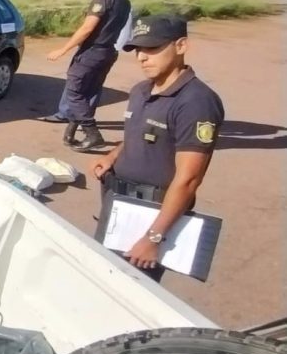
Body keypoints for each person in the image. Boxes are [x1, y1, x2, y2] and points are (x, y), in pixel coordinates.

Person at [90, 15, 224, 282]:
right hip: (119, 204)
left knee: (131, 290)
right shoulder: (141, 90)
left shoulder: (196, 103)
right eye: (138, 49)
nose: (142, 57)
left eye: (152, 49)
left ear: (181, 46)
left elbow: (188, 180)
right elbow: (136, 135)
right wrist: (112, 155)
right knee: (101, 279)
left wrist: (154, 237)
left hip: (151, 215)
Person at [43, 0, 131, 151]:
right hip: (108, 51)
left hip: (92, 52)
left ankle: (92, 134)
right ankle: (71, 133)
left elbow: (87, 28)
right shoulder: (124, 0)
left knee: (74, 93)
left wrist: (63, 49)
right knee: (88, 92)